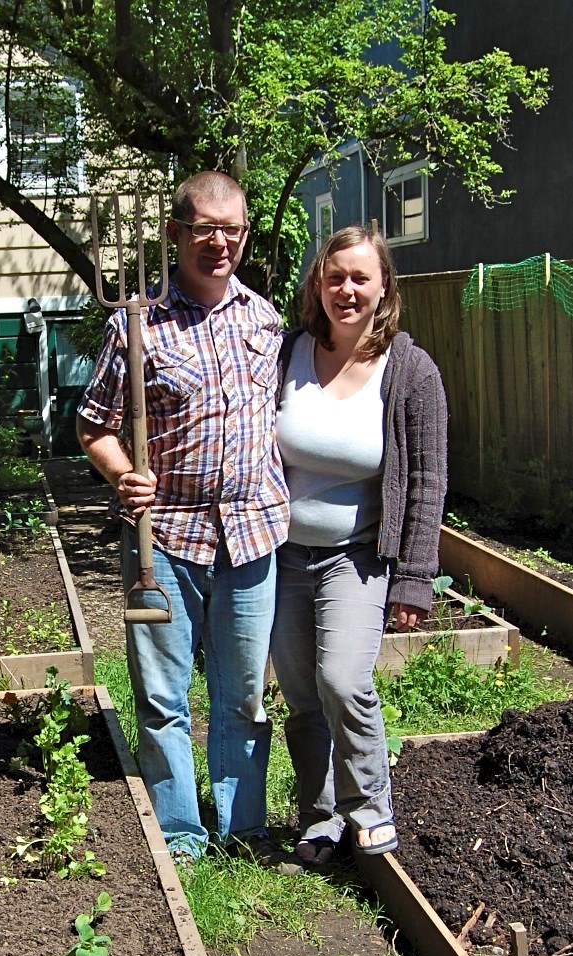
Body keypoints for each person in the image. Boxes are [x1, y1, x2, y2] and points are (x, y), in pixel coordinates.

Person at [77, 171, 290, 863]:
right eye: (203, 228)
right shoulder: (135, 324)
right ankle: (179, 834)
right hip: (164, 538)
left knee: (243, 695)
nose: (218, 242)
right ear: (174, 233)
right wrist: (122, 473)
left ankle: (244, 826)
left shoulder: (265, 320)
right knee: (164, 697)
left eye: (230, 229)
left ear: (245, 233)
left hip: (253, 534)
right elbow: (93, 424)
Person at [271, 224, 447, 866]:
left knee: (343, 680)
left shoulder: (409, 370)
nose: (346, 289)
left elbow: (427, 483)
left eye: (360, 277)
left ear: (383, 288)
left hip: (357, 555)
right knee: (299, 691)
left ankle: (369, 806)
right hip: (281, 555)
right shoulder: (287, 354)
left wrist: (415, 579)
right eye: (334, 276)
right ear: (318, 285)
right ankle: (319, 816)